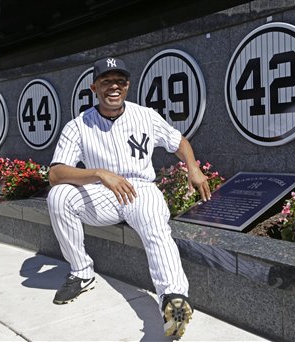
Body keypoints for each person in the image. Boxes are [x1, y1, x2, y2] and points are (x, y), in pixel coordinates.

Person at [46, 57, 211, 337]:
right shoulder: (78, 125)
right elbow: (56, 174)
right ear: (94, 87)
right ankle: (81, 272)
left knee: (154, 225)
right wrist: (99, 174)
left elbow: (178, 142)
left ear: (127, 86)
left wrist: (193, 169)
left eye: (120, 81)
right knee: (59, 196)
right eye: (106, 81)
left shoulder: (145, 115)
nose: (114, 87)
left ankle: (173, 300)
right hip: (101, 193)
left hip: (140, 189)